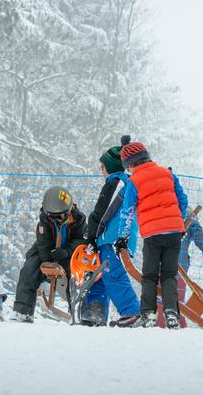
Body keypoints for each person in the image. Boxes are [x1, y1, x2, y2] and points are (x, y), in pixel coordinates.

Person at [115, 137, 189, 328]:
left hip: (152, 234)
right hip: (174, 232)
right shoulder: (167, 173)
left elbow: (127, 211)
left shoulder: (134, 181)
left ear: (130, 164)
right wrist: (177, 221)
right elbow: (183, 200)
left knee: (149, 275)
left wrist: (123, 238)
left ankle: (148, 314)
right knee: (169, 275)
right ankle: (171, 312)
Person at [82, 138, 142, 328]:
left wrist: (91, 234)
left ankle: (132, 312)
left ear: (109, 167)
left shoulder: (118, 182)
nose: (101, 171)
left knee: (112, 274)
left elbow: (103, 211)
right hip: (107, 238)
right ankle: (94, 314)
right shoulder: (121, 181)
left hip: (114, 239)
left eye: (102, 167)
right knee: (99, 275)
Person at [11, 186, 88, 323]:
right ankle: (23, 311)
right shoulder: (44, 222)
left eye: (65, 213)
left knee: (75, 277)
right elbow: (43, 243)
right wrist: (48, 264)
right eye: (57, 216)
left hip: (69, 252)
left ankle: (77, 313)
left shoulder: (78, 219)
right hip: (47, 250)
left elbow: (80, 240)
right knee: (29, 270)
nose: (62, 218)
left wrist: (67, 251)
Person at [155, 219, 203, 329]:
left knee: (160, 296)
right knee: (176, 300)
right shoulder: (190, 217)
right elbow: (200, 240)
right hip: (179, 265)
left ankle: (159, 328)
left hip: (161, 262)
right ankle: (178, 327)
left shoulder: (165, 212)